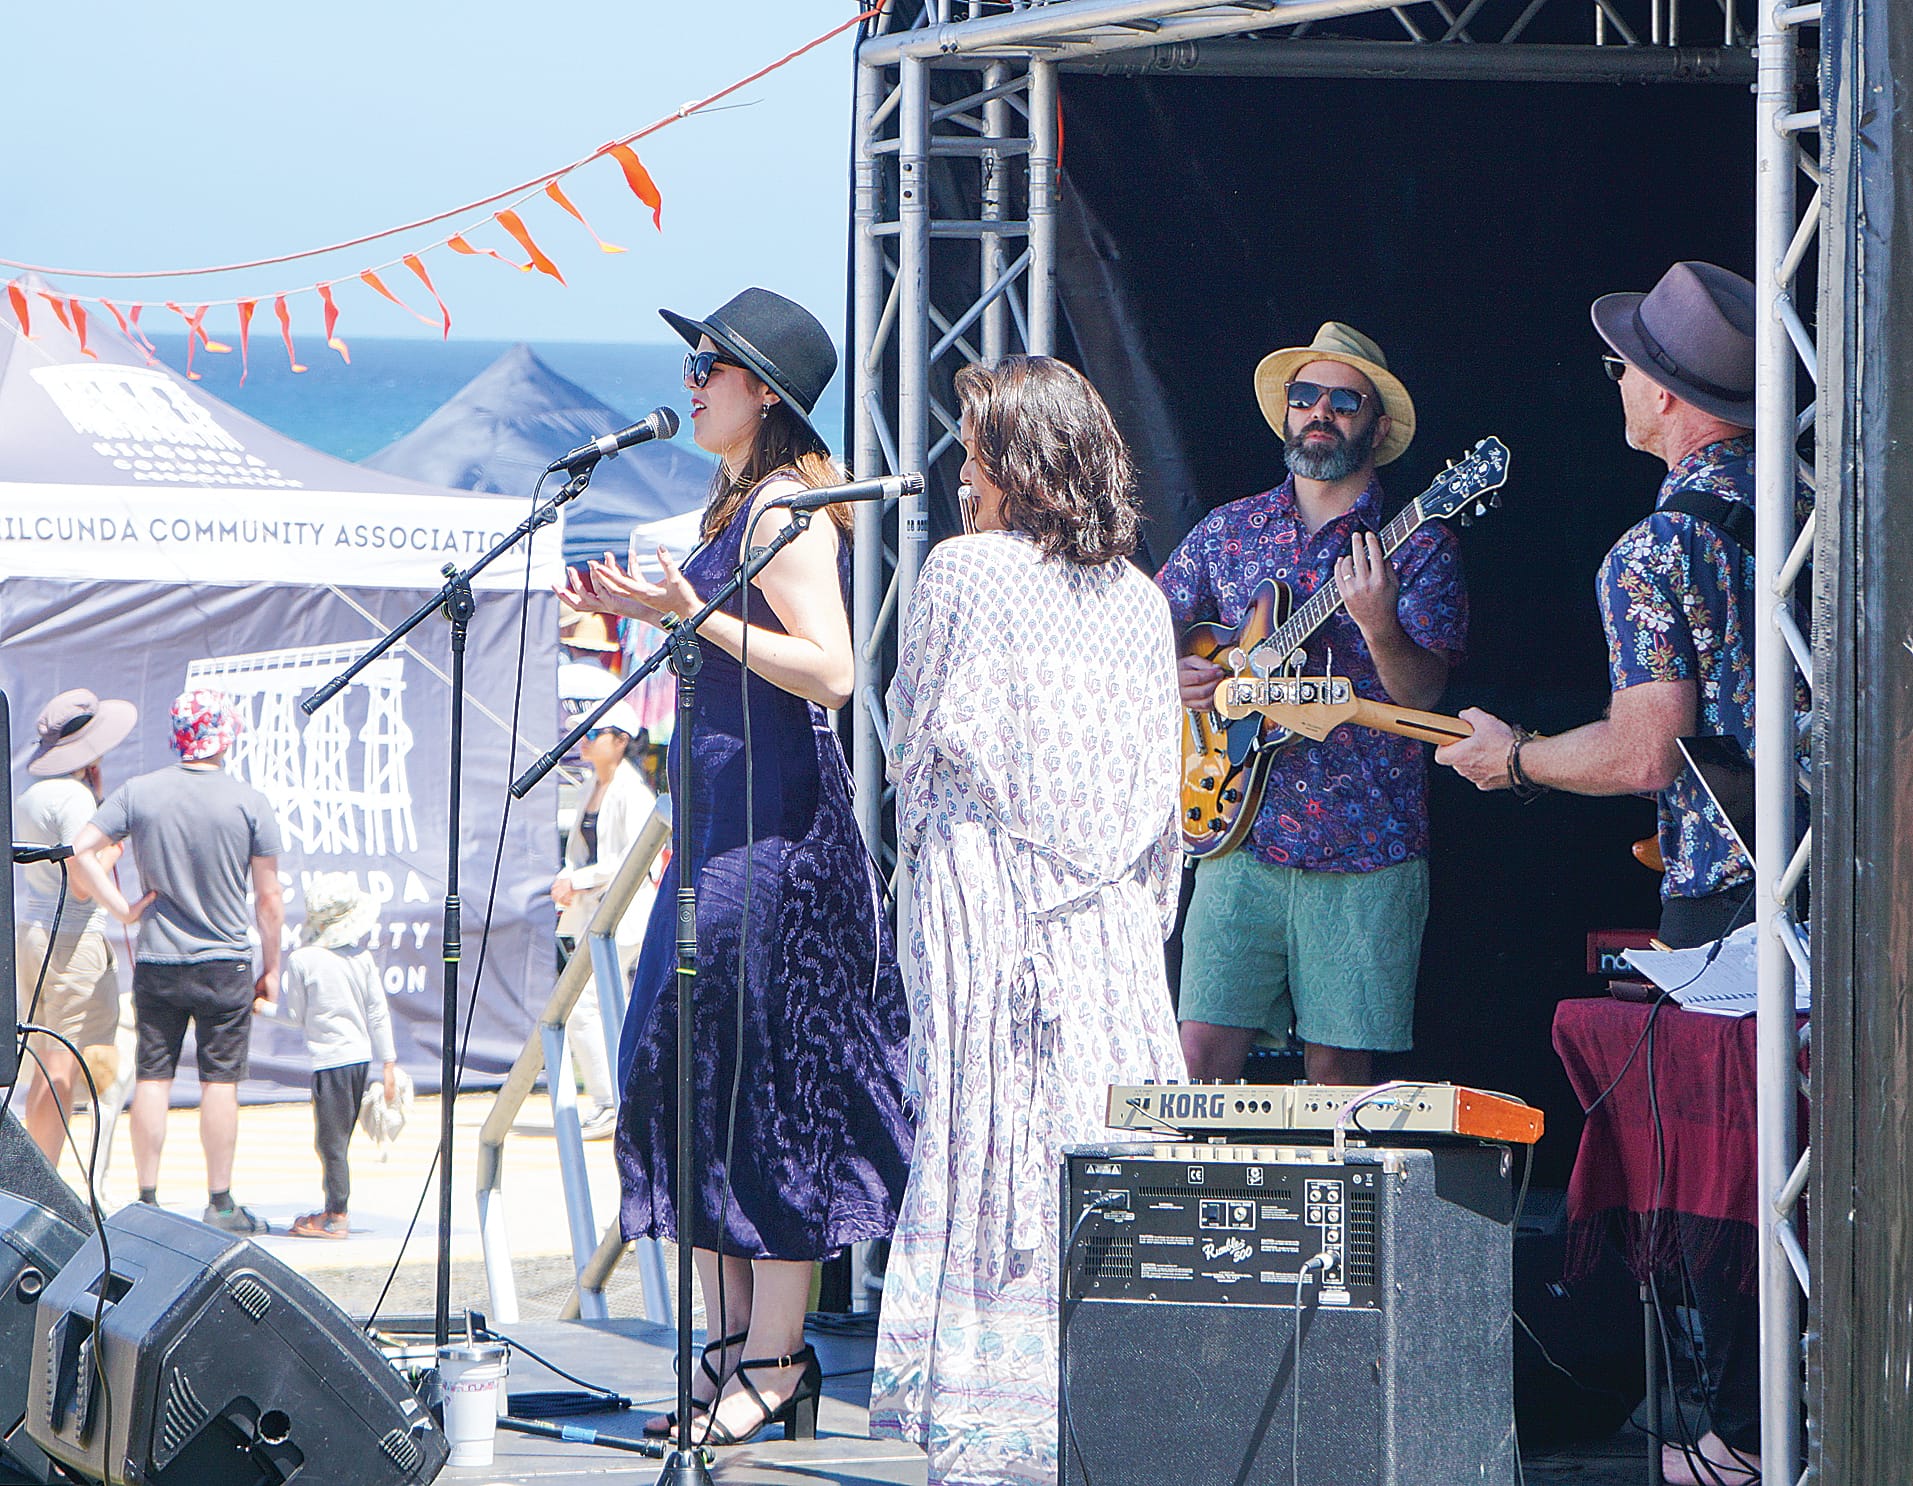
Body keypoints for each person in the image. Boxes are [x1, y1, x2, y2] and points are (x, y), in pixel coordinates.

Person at [1434, 261, 1772, 1486]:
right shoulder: (1823, 511)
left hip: (1723, 902)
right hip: (1844, 890)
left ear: (1669, 398)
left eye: (1623, 366)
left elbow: (1644, 751)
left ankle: (1731, 1432)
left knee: (1720, 1179)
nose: (1614, 382)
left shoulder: (1652, 549)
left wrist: (1515, 758)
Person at [560, 287, 912, 1446]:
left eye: (708, 365)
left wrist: (694, 613)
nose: (690, 381)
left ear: (763, 391)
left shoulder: (782, 509)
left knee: (769, 1097)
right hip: (714, 832)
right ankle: (723, 1351)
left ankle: (774, 1355)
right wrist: (652, 608)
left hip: (775, 845)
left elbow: (829, 672)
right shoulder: (735, 502)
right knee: (686, 1081)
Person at [867, 356, 1187, 1486]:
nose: (961, 476)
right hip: (1107, 925)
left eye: (976, 453)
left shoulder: (961, 571)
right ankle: (1108, 1415)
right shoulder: (1142, 600)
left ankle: (987, 1429)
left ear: (1023, 461)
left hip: (990, 902)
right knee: (1098, 1150)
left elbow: (912, 740)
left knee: (986, 1143)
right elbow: (1163, 807)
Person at [1158, 322, 1468, 1085]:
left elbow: (1424, 693)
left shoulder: (1418, 543)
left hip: (1365, 845)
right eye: (1304, 397)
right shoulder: (1227, 530)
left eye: (1343, 401)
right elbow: (1140, 626)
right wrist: (1167, 673)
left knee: (1338, 1075)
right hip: (1236, 834)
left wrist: (1377, 624)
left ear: (1377, 428)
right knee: (1197, 1061)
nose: (1319, 412)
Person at [70, 689, 284, 1234]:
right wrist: (273, 967)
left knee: (153, 1076)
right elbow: (268, 899)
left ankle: (146, 1197)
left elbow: (81, 847)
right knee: (220, 1082)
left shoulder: (139, 792)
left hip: (158, 959)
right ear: (224, 737)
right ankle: (221, 1203)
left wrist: (122, 909)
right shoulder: (249, 801)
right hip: (225, 962)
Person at [11, 688, 138, 1163]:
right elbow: (82, 883)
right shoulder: (76, 798)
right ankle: (47, 1176)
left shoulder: (32, 795)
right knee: (64, 1061)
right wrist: (115, 846)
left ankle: (36, 1171)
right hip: (72, 936)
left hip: (35, 931)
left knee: (46, 1059)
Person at [549, 699, 660, 1139]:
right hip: (594, 916)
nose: (584, 741)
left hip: (625, 916)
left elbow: (630, 860)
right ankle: (619, 1100)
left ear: (620, 741)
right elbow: (578, 850)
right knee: (610, 1006)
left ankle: (612, 1102)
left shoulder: (634, 793)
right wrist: (568, 875)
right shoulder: (589, 786)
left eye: (593, 734)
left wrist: (575, 879)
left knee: (583, 1006)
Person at [276, 873, 397, 1240]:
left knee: (330, 1143)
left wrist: (261, 1007)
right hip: (360, 1059)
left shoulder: (302, 960)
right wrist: (388, 1062)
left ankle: (337, 1215)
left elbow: (294, 1016)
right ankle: (334, 1207)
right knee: (337, 1140)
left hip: (330, 1061)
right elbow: (377, 1012)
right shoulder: (361, 958)